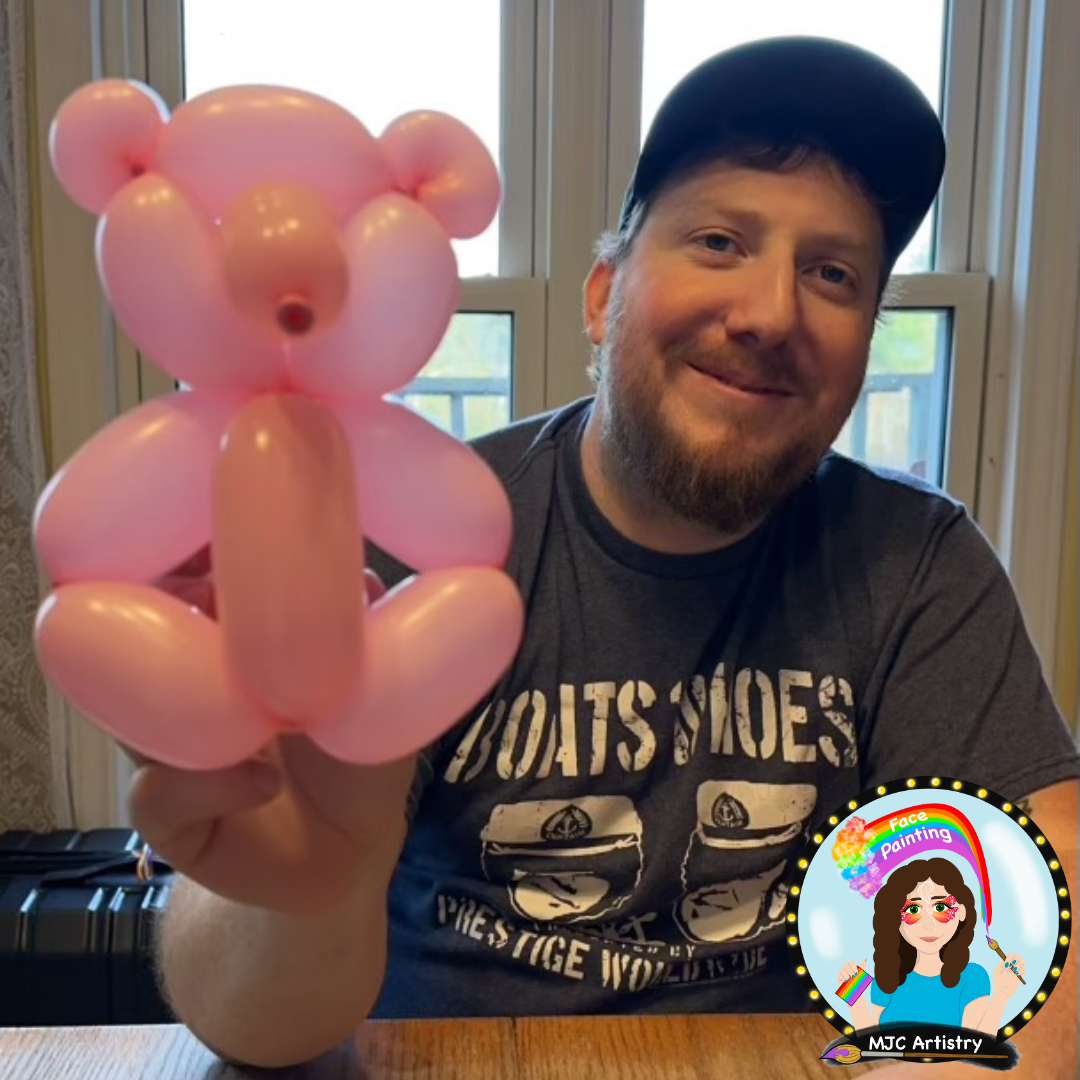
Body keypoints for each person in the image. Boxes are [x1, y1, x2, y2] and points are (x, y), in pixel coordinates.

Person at [136, 37, 1080, 1070]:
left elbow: (1040, 946)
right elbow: (253, 1030)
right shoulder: (411, 537)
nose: (770, 314)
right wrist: (307, 885)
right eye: (719, 241)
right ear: (601, 295)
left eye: (834, 273)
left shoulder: (917, 565)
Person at [839, 858, 1023, 1033]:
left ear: (962, 913)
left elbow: (975, 1048)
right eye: (913, 910)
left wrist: (1002, 995)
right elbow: (873, 1045)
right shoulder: (886, 977)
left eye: (941, 908)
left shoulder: (974, 978)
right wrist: (854, 995)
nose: (928, 924)